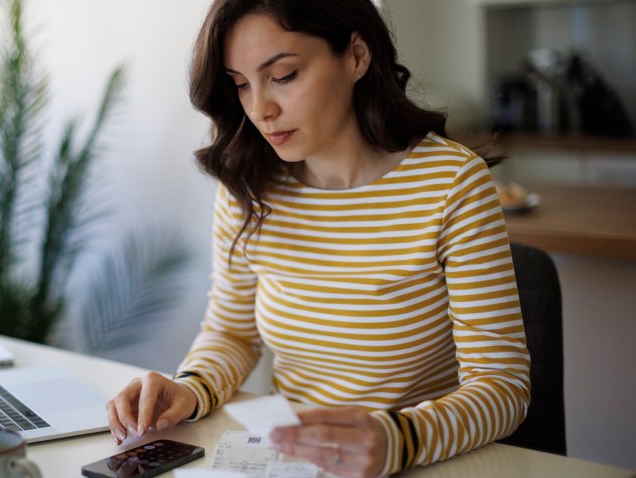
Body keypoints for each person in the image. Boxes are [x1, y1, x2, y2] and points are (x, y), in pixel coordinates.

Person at [106, 1, 530, 477]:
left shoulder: (453, 184)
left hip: (418, 463)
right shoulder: (249, 185)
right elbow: (232, 333)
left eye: (284, 75)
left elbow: (502, 386)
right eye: (241, 84)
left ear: (356, 56)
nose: (261, 109)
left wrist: (400, 439)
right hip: (294, 462)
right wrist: (189, 388)